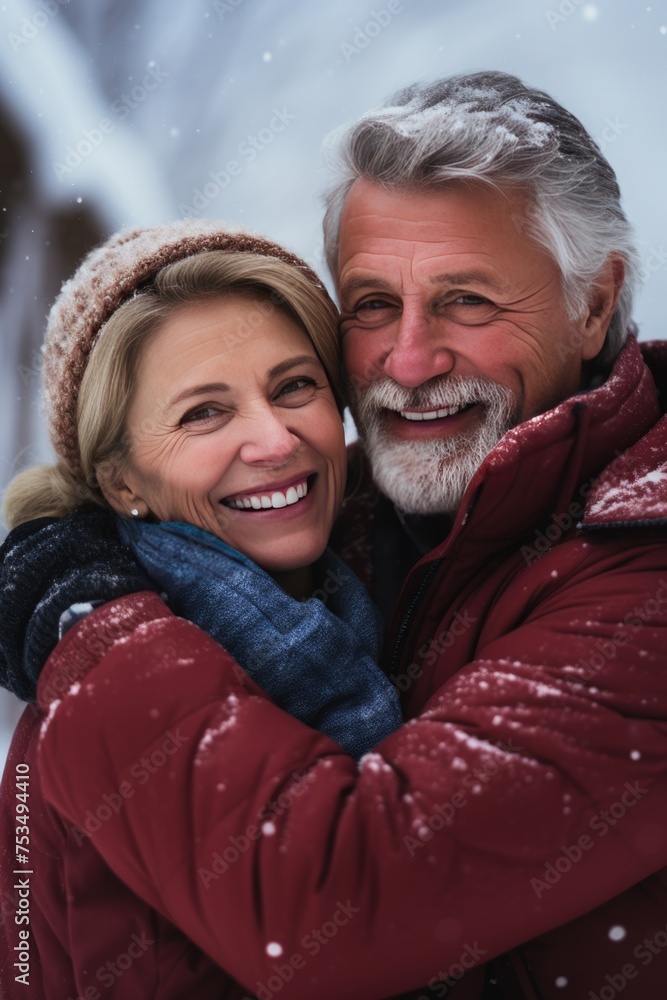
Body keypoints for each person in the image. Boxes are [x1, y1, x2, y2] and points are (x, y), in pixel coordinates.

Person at [2, 69, 667, 999]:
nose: (407, 360)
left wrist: (94, 629)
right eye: (370, 305)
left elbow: (346, 906)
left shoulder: (641, 574)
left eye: (467, 300)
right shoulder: (320, 549)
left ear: (594, 303)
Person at [0, 221, 402, 998]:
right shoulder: (101, 702)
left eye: (293, 386)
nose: (273, 439)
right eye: (202, 414)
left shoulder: (372, 598)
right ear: (121, 482)